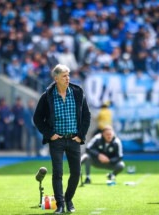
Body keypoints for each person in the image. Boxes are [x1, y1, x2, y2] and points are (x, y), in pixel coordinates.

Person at [33, 64, 91, 214]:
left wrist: (81, 135)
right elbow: (37, 118)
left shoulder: (78, 92)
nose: (67, 78)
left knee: (76, 173)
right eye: (64, 76)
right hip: (56, 140)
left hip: (74, 139)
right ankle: (60, 205)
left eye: (68, 75)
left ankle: (68, 199)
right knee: (57, 173)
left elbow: (86, 115)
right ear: (56, 78)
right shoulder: (47, 95)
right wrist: (49, 134)